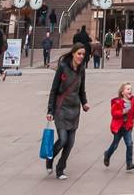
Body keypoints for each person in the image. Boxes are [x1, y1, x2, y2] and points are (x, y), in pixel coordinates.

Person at [46, 43, 90, 179]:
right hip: (61, 108)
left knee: (70, 144)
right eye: (79, 53)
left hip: (74, 110)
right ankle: (50, 158)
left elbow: (81, 90)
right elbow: (53, 90)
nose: (81, 56)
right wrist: (50, 110)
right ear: (73, 53)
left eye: (83, 54)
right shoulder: (63, 67)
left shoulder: (82, 69)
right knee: (63, 140)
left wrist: (84, 103)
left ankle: (60, 169)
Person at [105, 80, 134, 170]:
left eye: (131, 89)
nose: (130, 91)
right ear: (122, 92)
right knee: (115, 145)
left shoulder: (133, 102)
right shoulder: (118, 102)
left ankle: (129, 163)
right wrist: (122, 112)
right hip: (119, 127)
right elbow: (114, 113)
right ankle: (107, 154)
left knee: (129, 144)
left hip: (127, 127)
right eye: (128, 89)